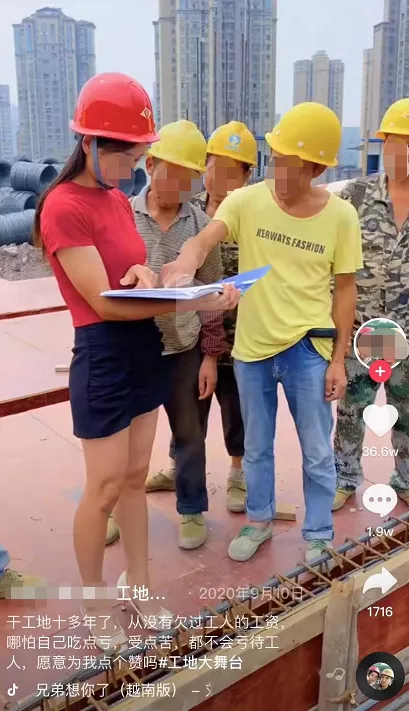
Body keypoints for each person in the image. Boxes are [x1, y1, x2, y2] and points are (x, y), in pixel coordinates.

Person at [33, 71, 239, 648]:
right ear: (91, 144)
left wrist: (145, 272)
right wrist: (196, 300)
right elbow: (101, 303)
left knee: (132, 479)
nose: (133, 168)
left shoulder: (115, 203)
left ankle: (140, 585)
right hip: (103, 355)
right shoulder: (62, 206)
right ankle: (96, 602)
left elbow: (125, 272)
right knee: (102, 488)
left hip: (145, 347)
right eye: (126, 156)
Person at [161, 102, 363, 563]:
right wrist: (186, 261)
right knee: (255, 446)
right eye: (277, 160)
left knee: (316, 449)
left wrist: (337, 359)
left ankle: (318, 534)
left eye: (293, 165)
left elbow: (345, 289)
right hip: (251, 351)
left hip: (308, 349)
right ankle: (258, 521)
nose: (281, 172)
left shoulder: (341, 216)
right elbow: (205, 238)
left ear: (316, 168)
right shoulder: (246, 201)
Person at [146, 121, 257, 515]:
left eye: (231, 171)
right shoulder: (191, 211)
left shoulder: (254, 217)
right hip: (197, 333)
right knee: (191, 411)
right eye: (213, 167)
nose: (219, 178)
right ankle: (179, 468)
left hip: (241, 334)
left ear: (246, 176)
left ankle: (238, 472)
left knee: (236, 408)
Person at [132, 119, 225, 551]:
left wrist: (210, 356)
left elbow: (211, 294)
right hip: (135, 349)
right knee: (124, 440)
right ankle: (116, 509)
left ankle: (191, 509)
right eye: (174, 174)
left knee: (189, 434)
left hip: (184, 348)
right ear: (150, 165)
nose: (181, 186)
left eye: (190, 179)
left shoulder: (201, 225)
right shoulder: (123, 216)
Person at [333, 99, 409, 511]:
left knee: (407, 411)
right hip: (361, 328)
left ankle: (406, 478)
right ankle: (343, 477)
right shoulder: (355, 196)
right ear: (384, 144)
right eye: (398, 142)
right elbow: (332, 263)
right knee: (351, 410)